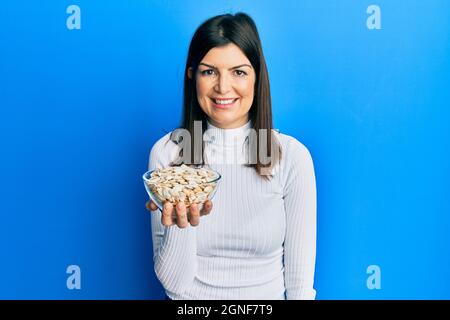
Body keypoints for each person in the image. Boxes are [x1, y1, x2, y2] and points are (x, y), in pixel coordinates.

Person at [145, 12, 317, 300]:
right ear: (192, 76)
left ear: (257, 77)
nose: (223, 87)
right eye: (209, 71)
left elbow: (300, 286)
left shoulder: (292, 157)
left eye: (238, 72)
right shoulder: (169, 154)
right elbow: (174, 285)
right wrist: (180, 224)